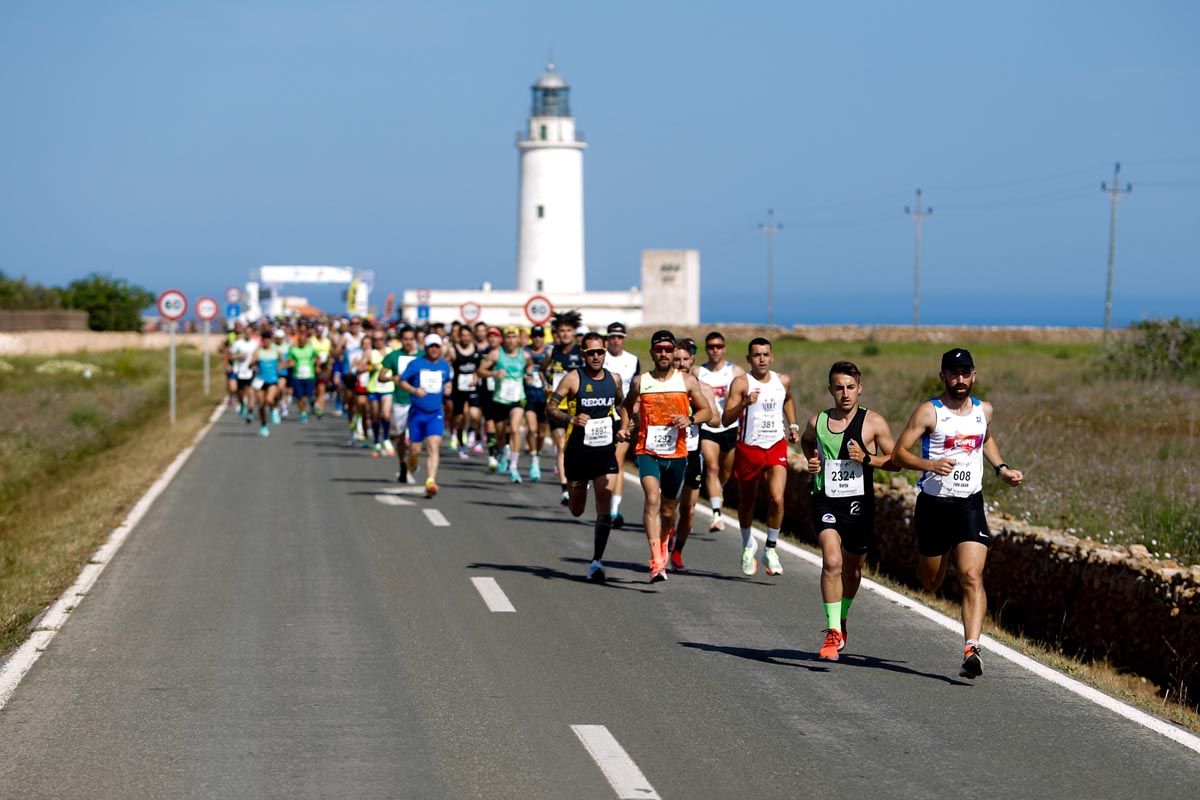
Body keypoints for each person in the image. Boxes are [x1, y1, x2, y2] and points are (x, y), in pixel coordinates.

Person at [891, 348, 1023, 678]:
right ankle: (938, 552)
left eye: (965, 373)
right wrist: (929, 464)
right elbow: (898, 453)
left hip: (969, 504)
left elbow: (986, 440)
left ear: (974, 376)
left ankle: (971, 649)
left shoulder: (984, 411)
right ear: (943, 377)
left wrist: (1001, 468)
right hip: (934, 506)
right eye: (954, 373)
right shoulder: (929, 412)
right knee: (932, 582)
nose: (960, 379)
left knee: (971, 576)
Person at [801, 361, 899, 661]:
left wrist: (868, 458)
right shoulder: (817, 421)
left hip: (859, 505)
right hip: (826, 499)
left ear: (860, 388)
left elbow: (896, 460)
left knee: (853, 568)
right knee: (832, 561)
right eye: (839, 388)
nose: (845, 394)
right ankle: (832, 631)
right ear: (830, 390)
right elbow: (808, 444)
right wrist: (813, 461)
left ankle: (841, 616)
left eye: (850, 387)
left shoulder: (874, 423)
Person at [620, 330, 713, 582]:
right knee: (652, 499)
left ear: (674, 352)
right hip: (648, 451)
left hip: (677, 454)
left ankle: (663, 544)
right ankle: (656, 560)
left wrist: (690, 418)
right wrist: (624, 426)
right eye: (658, 349)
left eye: (668, 349)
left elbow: (707, 411)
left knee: (669, 510)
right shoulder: (641, 381)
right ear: (652, 352)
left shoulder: (687, 382)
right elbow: (627, 405)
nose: (663, 353)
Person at [546, 332, 630, 582]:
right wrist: (571, 418)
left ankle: (596, 561)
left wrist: (624, 427)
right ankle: (572, 488)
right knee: (577, 509)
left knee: (604, 504)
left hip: (604, 450)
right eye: (591, 352)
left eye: (600, 352)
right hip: (578, 452)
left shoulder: (614, 379)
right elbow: (550, 406)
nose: (596, 356)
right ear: (583, 354)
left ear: (605, 352)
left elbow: (622, 405)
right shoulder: (573, 378)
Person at [721, 337, 799, 577]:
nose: (762, 359)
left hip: (775, 445)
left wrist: (793, 424)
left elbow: (787, 399)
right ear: (749, 359)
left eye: (766, 354)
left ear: (772, 357)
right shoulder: (741, 383)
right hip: (748, 448)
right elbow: (726, 419)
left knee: (777, 498)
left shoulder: (782, 380)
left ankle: (771, 548)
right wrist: (744, 403)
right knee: (747, 501)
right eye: (756, 355)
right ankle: (747, 544)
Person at [669, 339, 718, 573]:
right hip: (667, 452)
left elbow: (716, 419)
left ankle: (677, 551)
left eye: (685, 359)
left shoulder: (702, 388)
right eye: (676, 359)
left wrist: (696, 414)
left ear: (692, 361)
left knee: (688, 510)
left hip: (692, 452)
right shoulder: (664, 386)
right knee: (668, 506)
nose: (680, 364)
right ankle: (666, 532)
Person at [396, 333, 454, 498]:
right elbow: (401, 381)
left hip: (435, 413)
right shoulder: (416, 364)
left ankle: (430, 481)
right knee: (415, 449)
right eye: (431, 347)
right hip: (417, 413)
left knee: (433, 446)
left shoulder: (444, 366)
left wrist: (448, 387)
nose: (434, 349)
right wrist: (414, 390)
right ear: (426, 348)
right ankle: (411, 462)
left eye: (437, 346)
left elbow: (448, 380)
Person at [697, 331, 745, 532]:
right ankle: (716, 513)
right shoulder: (698, 372)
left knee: (725, 471)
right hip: (708, 427)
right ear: (706, 349)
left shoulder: (734, 371)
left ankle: (718, 491)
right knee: (712, 467)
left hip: (730, 427)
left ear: (724, 348)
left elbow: (747, 395)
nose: (715, 350)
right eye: (711, 347)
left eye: (718, 346)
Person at [478, 326, 533, 483]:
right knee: (500, 434)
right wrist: (494, 373)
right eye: (507, 337)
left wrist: (528, 373)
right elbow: (480, 371)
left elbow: (530, 364)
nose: (510, 340)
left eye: (513, 337)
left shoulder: (524, 354)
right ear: (504, 339)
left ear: (518, 339)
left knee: (515, 429)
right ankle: (502, 451)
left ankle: (514, 466)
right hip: (500, 399)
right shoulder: (496, 354)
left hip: (517, 398)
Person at [543, 311, 583, 503]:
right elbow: (541, 370)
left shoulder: (582, 352)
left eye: (569, 330)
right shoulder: (552, 352)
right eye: (562, 331)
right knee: (560, 444)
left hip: (577, 407)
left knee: (576, 445)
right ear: (556, 333)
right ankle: (565, 488)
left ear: (574, 332)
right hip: (557, 406)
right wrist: (546, 384)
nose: (565, 334)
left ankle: (580, 477)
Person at [603, 322, 640, 528]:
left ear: (624, 338)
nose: (615, 340)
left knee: (617, 461)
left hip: (622, 416)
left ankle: (614, 511)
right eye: (612, 336)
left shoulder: (633, 360)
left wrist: (634, 412)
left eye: (619, 336)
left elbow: (636, 389)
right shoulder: (599, 356)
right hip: (599, 416)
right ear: (607, 338)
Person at [380, 325, 422, 483]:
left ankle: (413, 459)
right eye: (405, 339)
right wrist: (393, 378)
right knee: (401, 437)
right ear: (400, 340)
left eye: (411, 339)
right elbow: (381, 377)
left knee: (415, 438)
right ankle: (403, 465)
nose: (408, 342)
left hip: (418, 402)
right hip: (400, 402)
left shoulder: (423, 356)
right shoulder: (394, 356)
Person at [449, 323, 484, 459]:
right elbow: (446, 364)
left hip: (472, 388)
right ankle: (461, 444)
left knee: (475, 414)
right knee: (459, 418)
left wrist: (476, 376)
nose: (465, 338)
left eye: (468, 335)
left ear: (471, 336)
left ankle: (472, 432)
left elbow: (480, 368)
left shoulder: (476, 350)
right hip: (458, 389)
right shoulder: (453, 350)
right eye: (462, 335)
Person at [523, 325, 551, 481]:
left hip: (544, 397)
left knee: (541, 433)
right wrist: (524, 376)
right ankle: (534, 459)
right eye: (535, 336)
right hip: (529, 396)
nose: (538, 339)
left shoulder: (549, 352)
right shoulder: (525, 352)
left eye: (540, 336)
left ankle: (537, 453)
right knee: (532, 429)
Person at [252, 326, 283, 437]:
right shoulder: (258, 352)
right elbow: (251, 365)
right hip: (261, 381)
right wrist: (253, 363)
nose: (266, 341)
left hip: (272, 380)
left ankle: (274, 410)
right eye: (264, 339)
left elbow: (281, 362)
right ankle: (263, 426)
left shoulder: (276, 351)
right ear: (262, 340)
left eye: (268, 338)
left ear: (271, 339)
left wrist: (280, 368)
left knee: (270, 399)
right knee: (261, 405)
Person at [287, 325, 318, 423]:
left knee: (307, 395)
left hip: (309, 376)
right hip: (298, 376)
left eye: (303, 340)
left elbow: (317, 358)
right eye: (300, 340)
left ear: (306, 340)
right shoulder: (293, 350)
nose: (301, 342)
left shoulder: (311, 349)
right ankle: (303, 413)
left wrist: (317, 366)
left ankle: (311, 401)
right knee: (300, 397)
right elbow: (290, 361)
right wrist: (288, 364)